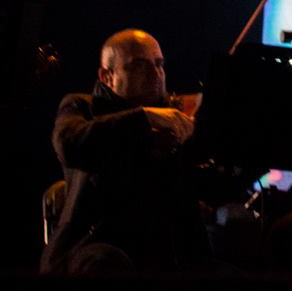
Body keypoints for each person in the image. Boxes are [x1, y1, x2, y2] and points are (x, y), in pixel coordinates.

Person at [40, 29, 210, 275]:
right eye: (139, 65)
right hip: (95, 245)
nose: (155, 73)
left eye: (159, 64)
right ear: (107, 76)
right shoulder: (82, 106)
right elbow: (69, 143)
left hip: (166, 249)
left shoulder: (175, 117)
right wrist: (144, 116)